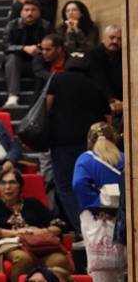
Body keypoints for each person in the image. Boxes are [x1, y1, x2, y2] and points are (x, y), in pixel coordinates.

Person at [47, 55, 111, 235]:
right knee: (92, 185)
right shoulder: (95, 85)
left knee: (66, 187)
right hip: (92, 145)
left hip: (62, 142)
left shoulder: (58, 79)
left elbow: (47, 106)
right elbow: (108, 119)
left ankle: (83, 228)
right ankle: (100, 226)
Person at [73, 123, 126, 282]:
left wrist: (97, 205)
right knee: (121, 274)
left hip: (97, 219)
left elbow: (79, 183)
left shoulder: (86, 159)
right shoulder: (125, 157)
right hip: (123, 216)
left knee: (103, 278)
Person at [0, 167, 68, 282]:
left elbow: (61, 225)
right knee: (23, 258)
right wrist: (19, 233)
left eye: (12, 182)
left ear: (20, 186)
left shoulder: (32, 203)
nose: (7, 187)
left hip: (38, 246)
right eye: (3, 183)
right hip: (11, 247)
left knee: (59, 260)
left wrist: (41, 231)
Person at [2, 1, 52, 106]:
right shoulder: (12, 25)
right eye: (26, 10)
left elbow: (52, 44)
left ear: (39, 12)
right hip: (16, 64)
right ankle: (13, 96)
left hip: (37, 62)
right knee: (12, 57)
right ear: (21, 12)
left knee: (41, 58)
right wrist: (24, 48)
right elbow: (6, 46)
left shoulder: (46, 25)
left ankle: (41, 96)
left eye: (33, 10)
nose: (30, 13)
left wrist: (39, 48)